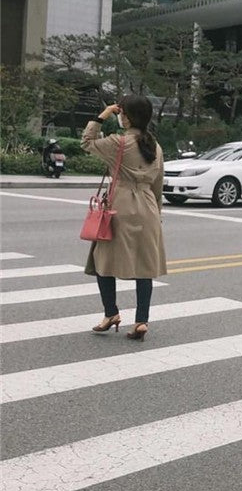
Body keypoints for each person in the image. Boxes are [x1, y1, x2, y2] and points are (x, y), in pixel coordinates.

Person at [81, 95, 166, 340]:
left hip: (121, 206)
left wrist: (102, 115)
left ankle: (111, 313)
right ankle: (141, 321)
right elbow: (158, 186)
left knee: (102, 261)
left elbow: (87, 141)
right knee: (144, 267)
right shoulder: (155, 146)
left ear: (126, 117)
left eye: (121, 113)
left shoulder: (118, 143)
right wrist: (157, 214)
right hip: (148, 207)